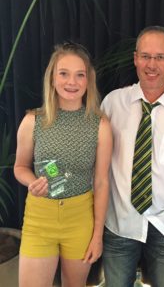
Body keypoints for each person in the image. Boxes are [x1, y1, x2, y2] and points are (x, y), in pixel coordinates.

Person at [101, 25, 164, 287]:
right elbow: (98, 161)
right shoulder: (112, 104)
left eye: (160, 57)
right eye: (145, 56)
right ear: (135, 58)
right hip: (118, 222)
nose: (151, 64)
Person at [14, 42, 112, 287]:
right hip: (40, 217)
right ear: (52, 78)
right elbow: (20, 167)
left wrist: (97, 235)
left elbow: (101, 181)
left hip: (80, 218)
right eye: (64, 73)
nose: (72, 82)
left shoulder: (100, 125)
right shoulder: (32, 121)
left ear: (88, 80)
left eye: (80, 75)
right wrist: (32, 182)